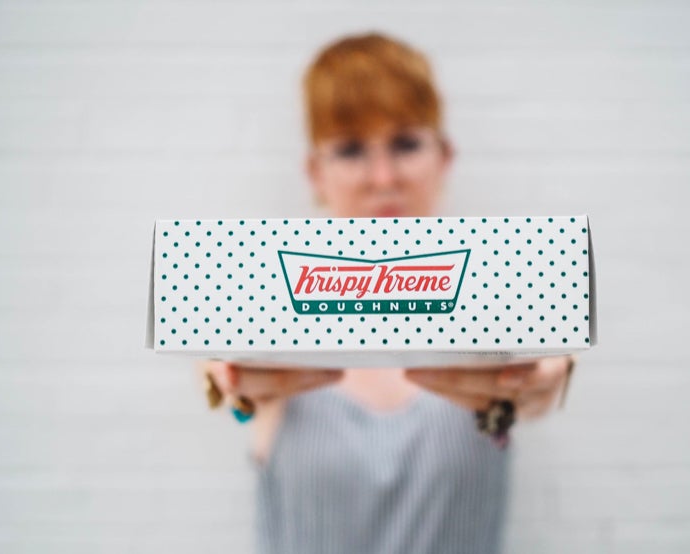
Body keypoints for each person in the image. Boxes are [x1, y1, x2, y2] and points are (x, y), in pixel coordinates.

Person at [202, 32, 575, 554]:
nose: (383, 178)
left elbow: (540, 389)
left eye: (405, 143)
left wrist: (542, 388)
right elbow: (232, 390)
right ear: (316, 172)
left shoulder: (498, 312)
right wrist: (233, 391)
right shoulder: (271, 321)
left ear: (444, 157)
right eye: (352, 149)